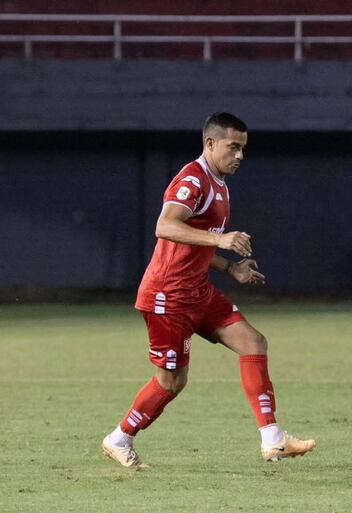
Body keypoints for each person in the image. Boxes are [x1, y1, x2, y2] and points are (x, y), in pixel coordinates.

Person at [102, 112, 315, 468]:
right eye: (234, 147)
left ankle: (273, 438)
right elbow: (165, 226)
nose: (240, 155)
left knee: (253, 342)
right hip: (167, 297)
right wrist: (223, 239)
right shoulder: (192, 179)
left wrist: (229, 267)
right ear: (210, 143)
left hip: (197, 292)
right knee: (172, 382)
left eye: (243, 148)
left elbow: (195, 243)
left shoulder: (219, 184)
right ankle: (119, 438)